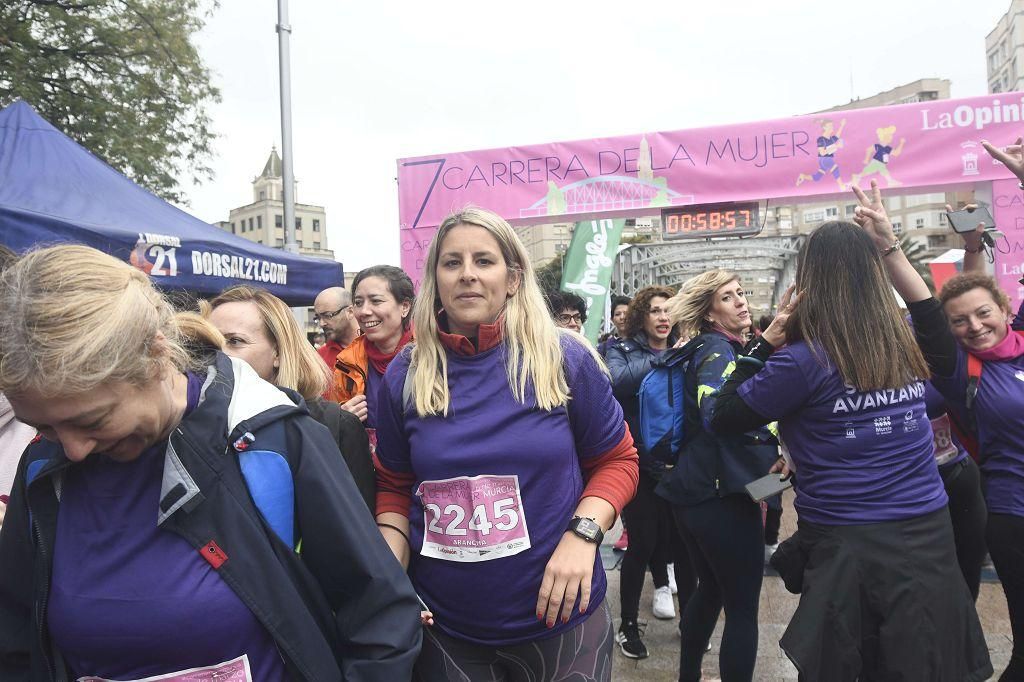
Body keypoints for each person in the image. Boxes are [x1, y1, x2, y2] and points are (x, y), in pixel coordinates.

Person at [0, 245, 422, 681]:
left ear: (156, 355)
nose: (72, 450)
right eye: (45, 427)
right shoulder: (42, 466)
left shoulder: (273, 436)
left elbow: (377, 611)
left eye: (93, 420)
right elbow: (14, 636)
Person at [710, 208, 991, 680]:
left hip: (847, 541)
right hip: (926, 529)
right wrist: (890, 247)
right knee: (924, 662)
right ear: (875, 277)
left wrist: (766, 341)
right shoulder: (906, 343)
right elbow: (933, 322)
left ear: (808, 283)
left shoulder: (801, 362)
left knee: (846, 663)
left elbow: (722, 415)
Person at [373, 207, 639, 681]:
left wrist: (583, 537)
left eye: (484, 261)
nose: (468, 275)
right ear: (436, 278)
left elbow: (617, 460)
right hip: (448, 626)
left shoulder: (565, 357)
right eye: (452, 263)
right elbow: (395, 484)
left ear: (513, 278)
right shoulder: (405, 373)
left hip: (562, 621)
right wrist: (390, 575)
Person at [655, 271, 778, 682]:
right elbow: (716, 416)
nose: (741, 301)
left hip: (695, 492)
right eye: (728, 297)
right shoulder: (717, 350)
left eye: (742, 292)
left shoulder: (713, 347)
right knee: (742, 608)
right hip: (720, 496)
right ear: (709, 312)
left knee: (710, 590)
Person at [206, 285, 376, 513]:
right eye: (210, 344)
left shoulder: (336, 428)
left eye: (235, 341)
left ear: (278, 352)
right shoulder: (192, 427)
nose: (219, 355)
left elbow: (357, 531)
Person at [605, 286, 695, 658]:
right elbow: (617, 381)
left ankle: (692, 622)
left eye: (668, 311)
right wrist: (666, 358)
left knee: (685, 549)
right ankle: (628, 625)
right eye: (655, 311)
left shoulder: (689, 350)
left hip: (683, 462)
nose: (663, 317)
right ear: (642, 316)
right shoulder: (622, 350)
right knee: (641, 544)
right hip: (639, 461)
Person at [330, 266, 415, 446]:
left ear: (405, 307)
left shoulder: (434, 354)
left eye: (376, 301)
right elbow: (332, 432)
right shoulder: (346, 363)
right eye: (359, 303)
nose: (364, 311)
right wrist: (341, 418)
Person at [313, 285, 358, 369]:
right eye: (318, 318)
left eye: (328, 315)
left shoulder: (374, 348)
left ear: (350, 312)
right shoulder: (319, 359)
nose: (322, 323)